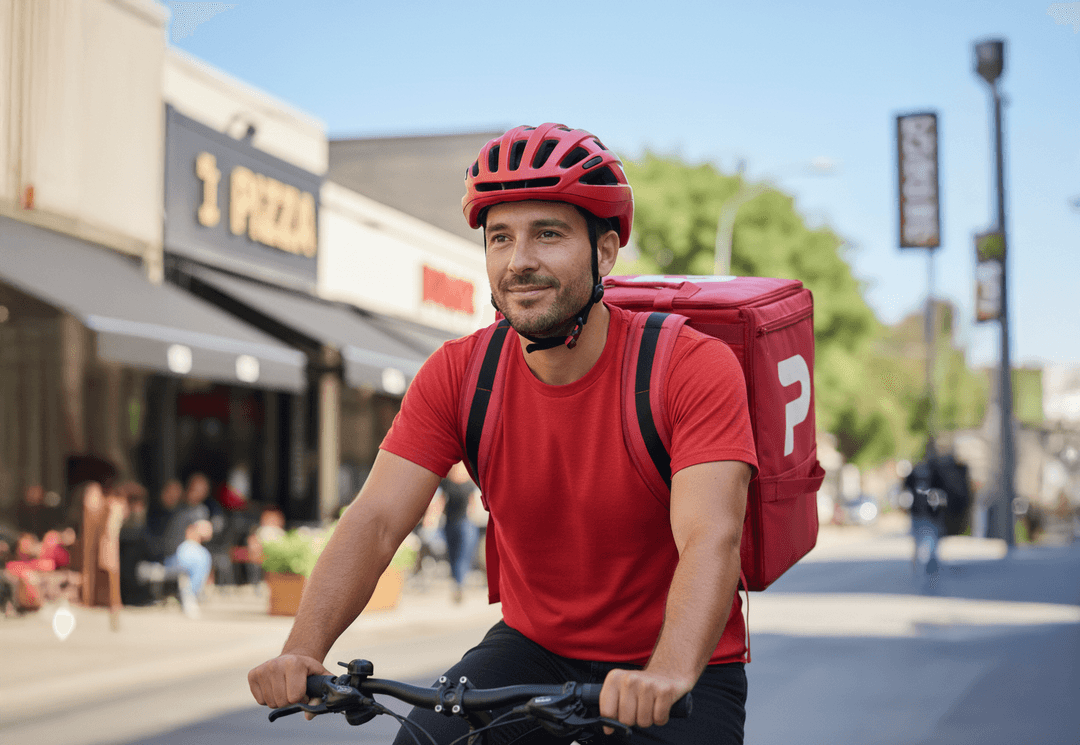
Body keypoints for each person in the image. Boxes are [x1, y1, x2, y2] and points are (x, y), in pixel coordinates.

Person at [248, 123, 757, 744]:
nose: (520, 260)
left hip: (676, 661)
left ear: (604, 253)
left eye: (549, 234)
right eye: (500, 238)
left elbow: (712, 536)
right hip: (535, 650)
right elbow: (376, 519)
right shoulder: (460, 373)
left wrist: (670, 672)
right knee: (428, 740)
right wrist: (304, 649)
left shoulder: (688, 366)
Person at [439, 462, 480, 604]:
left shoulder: (470, 484)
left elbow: (473, 504)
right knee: (452, 554)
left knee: (463, 555)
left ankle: (460, 584)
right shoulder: (446, 484)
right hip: (450, 524)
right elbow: (440, 503)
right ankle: (457, 583)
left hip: (465, 523)